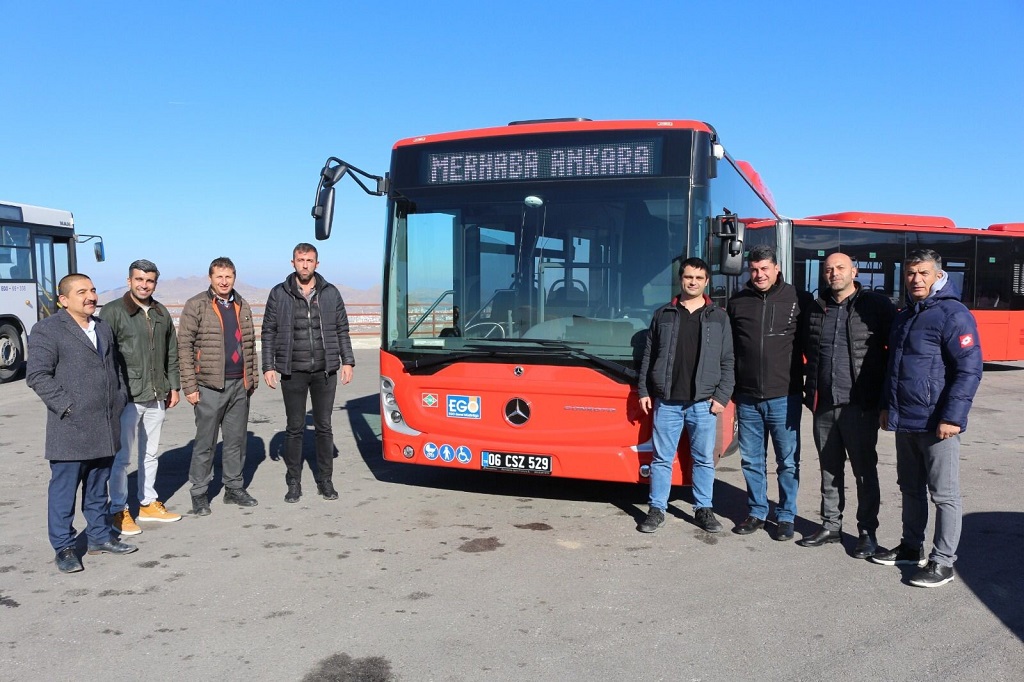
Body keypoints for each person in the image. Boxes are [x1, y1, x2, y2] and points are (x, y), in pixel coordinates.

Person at [871, 249, 982, 587]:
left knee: (944, 494)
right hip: (906, 420)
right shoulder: (906, 315)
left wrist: (952, 417)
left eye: (923, 273)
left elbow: (969, 369)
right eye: (910, 273)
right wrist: (887, 407)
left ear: (938, 275)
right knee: (910, 488)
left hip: (938, 424)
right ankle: (910, 546)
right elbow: (895, 370)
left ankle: (943, 562)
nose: (916, 279)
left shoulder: (954, 314)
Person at [27, 274, 135, 573]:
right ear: (63, 300)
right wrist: (68, 407)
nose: (90, 296)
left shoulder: (102, 327)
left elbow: (115, 368)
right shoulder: (48, 329)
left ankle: (100, 536)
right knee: (64, 492)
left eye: (92, 290)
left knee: (98, 487)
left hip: (105, 424)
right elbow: (37, 375)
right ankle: (64, 547)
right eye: (81, 292)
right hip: (71, 427)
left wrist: (119, 396)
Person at [797, 253, 895, 558]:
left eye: (840, 268)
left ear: (854, 271)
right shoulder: (815, 308)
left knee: (864, 471)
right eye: (828, 269)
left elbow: (894, 354)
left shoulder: (875, 306)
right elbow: (804, 349)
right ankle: (830, 525)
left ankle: (867, 531)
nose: (833, 273)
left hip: (859, 406)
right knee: (829, 468)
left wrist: (885, 401)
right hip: (823, 404)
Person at [636, 257, 734, 533]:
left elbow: (728, 360)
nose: (693, 282)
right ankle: (657, 509)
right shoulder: (664, 314)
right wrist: (644, 389)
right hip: (667, 401)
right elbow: (649, 355)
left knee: (703, 459)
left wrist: (722, 397)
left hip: (703, 403)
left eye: (698, 278)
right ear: (681, 279)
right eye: (688, 277)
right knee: (661, 459)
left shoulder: (719, 316)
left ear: (706, 282)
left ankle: (703, 509)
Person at [262, 243, 355, 503]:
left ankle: (325, 480)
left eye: (310, 260)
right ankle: (294, 481)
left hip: (325, 371)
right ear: (292, 263)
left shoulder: (330, 293)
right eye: (301, 260)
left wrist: (347, 361)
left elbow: (341, 329)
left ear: (317, 263)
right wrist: (268, 365)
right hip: (293, 371)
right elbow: (268, 331)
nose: (305, 264)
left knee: (324, 426)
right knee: (295, 427)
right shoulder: (279, 294)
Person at [727, 244, 805, 541]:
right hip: (747, 397)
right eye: (754, 269)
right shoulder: (738, 302)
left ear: (777, 269)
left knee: (787, 460)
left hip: (784, 395)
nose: (759, 274)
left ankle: (786, 515)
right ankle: (757, 511)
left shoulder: (797, 299)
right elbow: (730, 349)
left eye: (764, 269)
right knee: (751, 460)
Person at [100, 259, 182, 535]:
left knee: (150, 453)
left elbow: (172, 351)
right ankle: (119, 510)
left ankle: (147, 502)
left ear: (155, 283)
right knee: (122, 458)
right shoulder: (112, 312)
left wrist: (174, 386)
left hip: (157, 392)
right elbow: (104, 355)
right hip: (128, 396)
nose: (144, 285)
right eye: (139, 280)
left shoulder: (160, 312)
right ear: (129, 281)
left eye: (149, 281)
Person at [178, 257, 259, 515]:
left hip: (238, 384)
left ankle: (233, 488)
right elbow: (184, 346)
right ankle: (199, 492)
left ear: (234, 277)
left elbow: (249, 344)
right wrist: (189, 386)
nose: (224, 282)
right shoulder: (197, 305)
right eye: (219, 277)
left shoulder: (241, 304)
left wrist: (252, 379)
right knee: (206, 442)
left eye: (228, 277)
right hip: (209, 385)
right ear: (210, 278)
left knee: (236, 440)